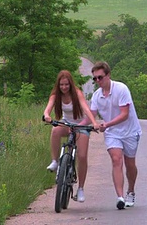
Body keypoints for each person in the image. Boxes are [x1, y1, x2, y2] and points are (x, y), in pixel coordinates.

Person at [86, 61, 142, 210]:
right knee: (116, 160)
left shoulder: (121, 89)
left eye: (100, 77)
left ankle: (131, 191)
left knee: (130, 165)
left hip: (130, 131)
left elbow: (124, 114)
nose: (98, 81)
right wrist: (80, 126)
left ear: (108, 75)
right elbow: (91, 116)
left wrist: (107, 124)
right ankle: (120, 197)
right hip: (113, 134)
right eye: (95, 79)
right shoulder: (97, 95)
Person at [42, 70, 99, 203]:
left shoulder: (77, 93)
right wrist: (47, 116)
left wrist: (94, 122)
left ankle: (80, 189)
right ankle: (55, 161)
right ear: (58, 85)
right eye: (61, 85)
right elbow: (47, 109)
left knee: (82, 156)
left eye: (66, 84)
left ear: (70, 84)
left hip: (80, 125)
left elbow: (86, 109)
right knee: (55, 130)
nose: (64, 87)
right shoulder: (55, 95)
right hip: (67, 123)